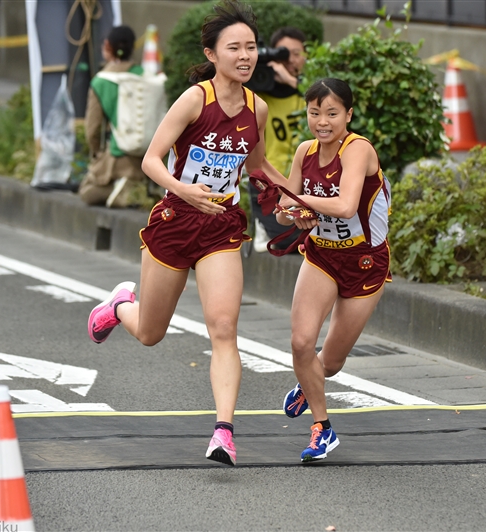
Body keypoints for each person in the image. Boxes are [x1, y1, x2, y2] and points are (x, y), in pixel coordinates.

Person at [86, 0, 268, 467]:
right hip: (175, 221)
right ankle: (120, 305)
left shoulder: (257, 108)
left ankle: (223, 432)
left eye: (251, 47)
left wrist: (294, 198)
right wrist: (184, 190)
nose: (245, 56)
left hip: (222, 226)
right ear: (212, 54)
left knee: (224, 328)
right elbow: (151, 159)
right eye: (235, 48)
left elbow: (258, 165)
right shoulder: (194, 100)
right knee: (150, 333)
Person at [267, 78, 391, 462]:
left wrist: (302, 204)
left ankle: (311, 381)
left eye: (332, 113)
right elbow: (285, 209)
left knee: (331, 363)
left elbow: (347, 205)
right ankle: (323, 429)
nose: (322, 121)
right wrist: (294, 214)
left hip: (365, 263)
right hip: (321, 255)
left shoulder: (358, 150)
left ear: (349, 115)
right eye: (314, 113)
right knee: (301, 342)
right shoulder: (304, 151)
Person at [78, 26, 149, 208]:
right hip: (146, 155)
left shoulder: (100, 82)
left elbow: (92, 129)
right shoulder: (146, 76)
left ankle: (119, 190)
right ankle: (136, 186)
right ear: (132, 47)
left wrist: (96, 153)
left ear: (107, 47)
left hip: (118, 155)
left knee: (87, 192)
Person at [251, 26, 307, 253]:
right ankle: (261, 223)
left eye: (296, 53)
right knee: (291, 240)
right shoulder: (259, 95)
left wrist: (293, 81)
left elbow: (329, 102)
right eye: (284, 53)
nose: (291, 60)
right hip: (271, 184)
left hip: (306, 184)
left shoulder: (309, 93)